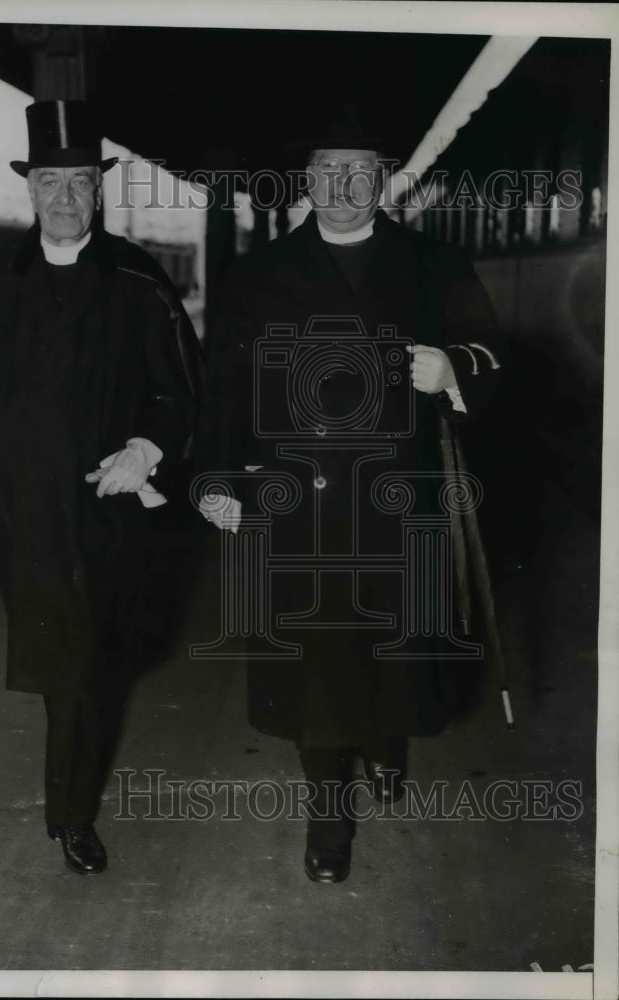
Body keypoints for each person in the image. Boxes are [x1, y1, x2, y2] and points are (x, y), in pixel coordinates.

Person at [195, 111, 501, 883]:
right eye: (328, 168)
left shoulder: (433, 261)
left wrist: (452, 368)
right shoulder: (260, 274)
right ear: (305, 180)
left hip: (399, 497)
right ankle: (328, 819)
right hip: (301, 503)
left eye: (359, 169)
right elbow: (224, 391)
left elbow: (492, 352)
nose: (342, 185)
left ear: (383, 178)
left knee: (392, 653)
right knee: (319, 667)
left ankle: (386, 742)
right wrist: (221, 480)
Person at [0, 100, 200, 875]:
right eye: (51, 182)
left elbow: (179, 391)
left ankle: (69, 815)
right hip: (20, 507)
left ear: (99, 189)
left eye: (79, 182)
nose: (66, 198)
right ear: (31, 189)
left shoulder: (139, 281)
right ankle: (70, 809)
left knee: (82, 656)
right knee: (64, 653)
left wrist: (146, 448)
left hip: (108, 501)